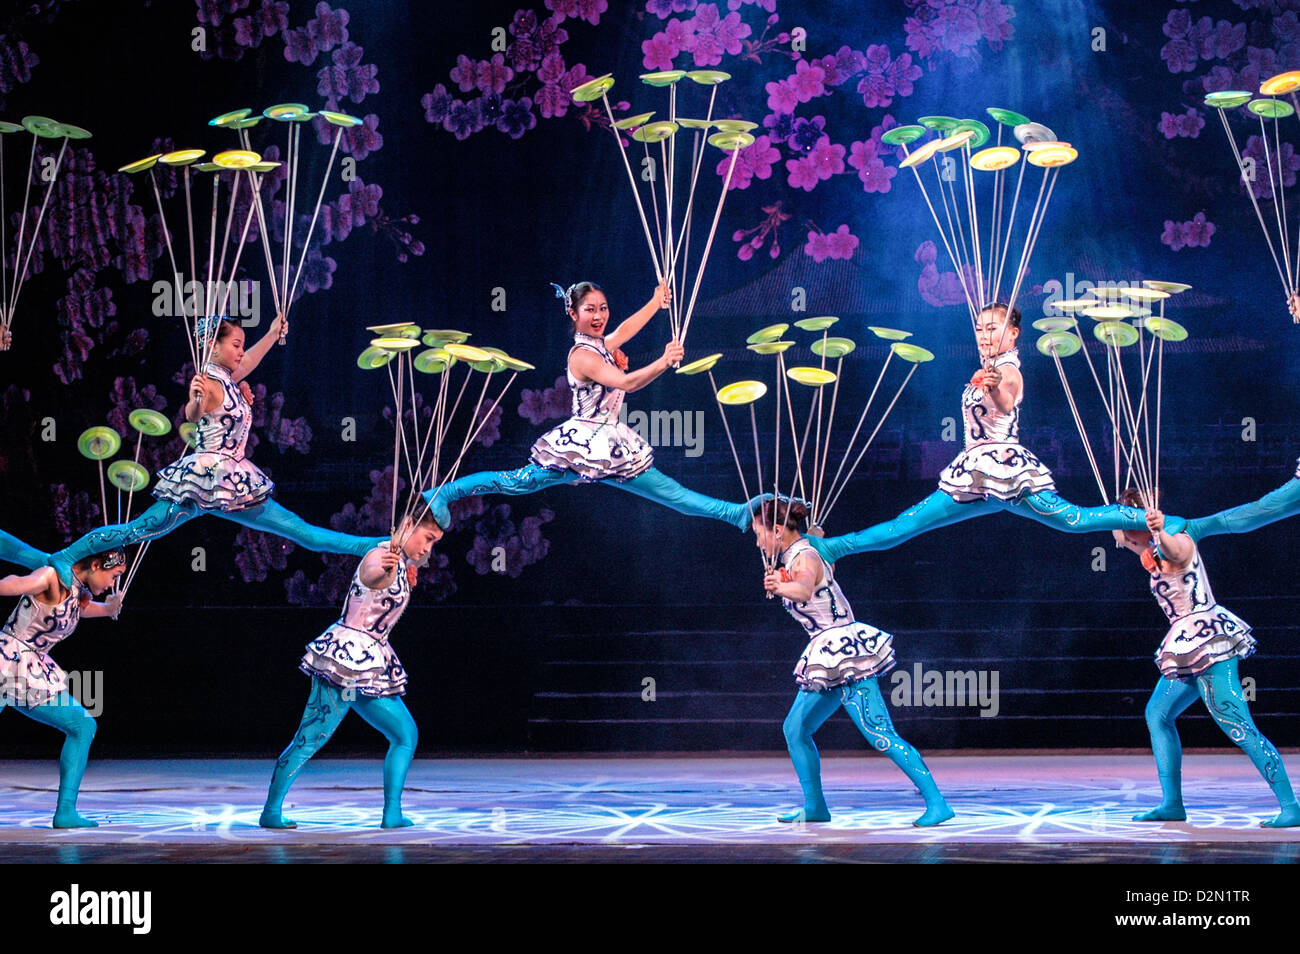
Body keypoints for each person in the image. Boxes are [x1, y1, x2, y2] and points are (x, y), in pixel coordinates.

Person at [805, 303, 1187, 564]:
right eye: (979, 328)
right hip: (973, 475)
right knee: (908, 524)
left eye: (993, 328)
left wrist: (991, 388)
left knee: (1078, 521)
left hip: (1004, 469)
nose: (984, 335)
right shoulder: (990, 366)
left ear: (1014, 333)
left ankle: (1160, 523)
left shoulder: (1009, 370)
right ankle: (831, 549)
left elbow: (1007, 403)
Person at [47, 316, 379, 584]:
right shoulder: (209, 380)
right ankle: (64, 557)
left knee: (299, 529)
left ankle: (371, 545)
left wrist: (272, 333)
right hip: (204, 480)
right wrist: (195, 400)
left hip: (232, 483)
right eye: (235, 345)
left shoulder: (228, 378)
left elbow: (246, 362)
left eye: (241, 346)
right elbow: (194, 412)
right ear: (213, 346)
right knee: (136, 531)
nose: (240, 352)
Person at [423, 282, 759, 531]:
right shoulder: (583, 355)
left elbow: (624, 330)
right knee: (515, 482)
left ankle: (737, 513)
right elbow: (626, 383)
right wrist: (663, 361)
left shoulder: (598, 344)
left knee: (672, 493)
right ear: (573, 313)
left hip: (612, 444)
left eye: (602, 308)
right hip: (581, 445)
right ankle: (442, 492)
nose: (598, 316)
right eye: (590, 310)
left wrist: (655, 302)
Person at [755, 498, 953, 827]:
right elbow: (812, 544)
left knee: (880, 734)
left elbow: (804, 589)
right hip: (829, 657)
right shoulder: (804, 549)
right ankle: (816, 807)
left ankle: (938, 803)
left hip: (843, 654)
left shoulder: (804, 557)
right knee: (796, 729)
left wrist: (780, 586)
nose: (758, 541)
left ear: (777, 530)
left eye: (759, 533)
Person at [1113, 495, 1299, 827]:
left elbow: (1173, 550)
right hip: (1185, 645)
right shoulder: (1147, 545)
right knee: (1158, 713)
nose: (1125, 540)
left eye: (1130, 532)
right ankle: (1172, 804)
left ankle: (1290, 807)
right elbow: (1124, 537)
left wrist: (1158, 532)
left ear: (1146, 527)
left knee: (1238, 726)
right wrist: (1122, 515)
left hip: (1209, 642)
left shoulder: (1178, 542)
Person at [259, 512, 442, 830]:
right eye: (427, 538)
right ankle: (271, 811)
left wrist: (403, 570)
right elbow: (371, 575)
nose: (428, 549)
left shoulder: (399, 561)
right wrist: (380, 573)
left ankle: (392, 814)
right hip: (346, 661)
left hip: (365, 669)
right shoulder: (380, 555)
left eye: (435, 543)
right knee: (310, 737)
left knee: (404, 734)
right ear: (408, 524)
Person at [0, 549, 125, 828]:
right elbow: (14, 583)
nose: (111, 584)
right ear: (95, 564)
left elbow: (78, 610)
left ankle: (66, 812)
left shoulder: (77, 590)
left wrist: (109, 609)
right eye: (113, 575)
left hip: (32, 669)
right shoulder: (51, 577)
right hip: (5, 658)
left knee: (83, 725)